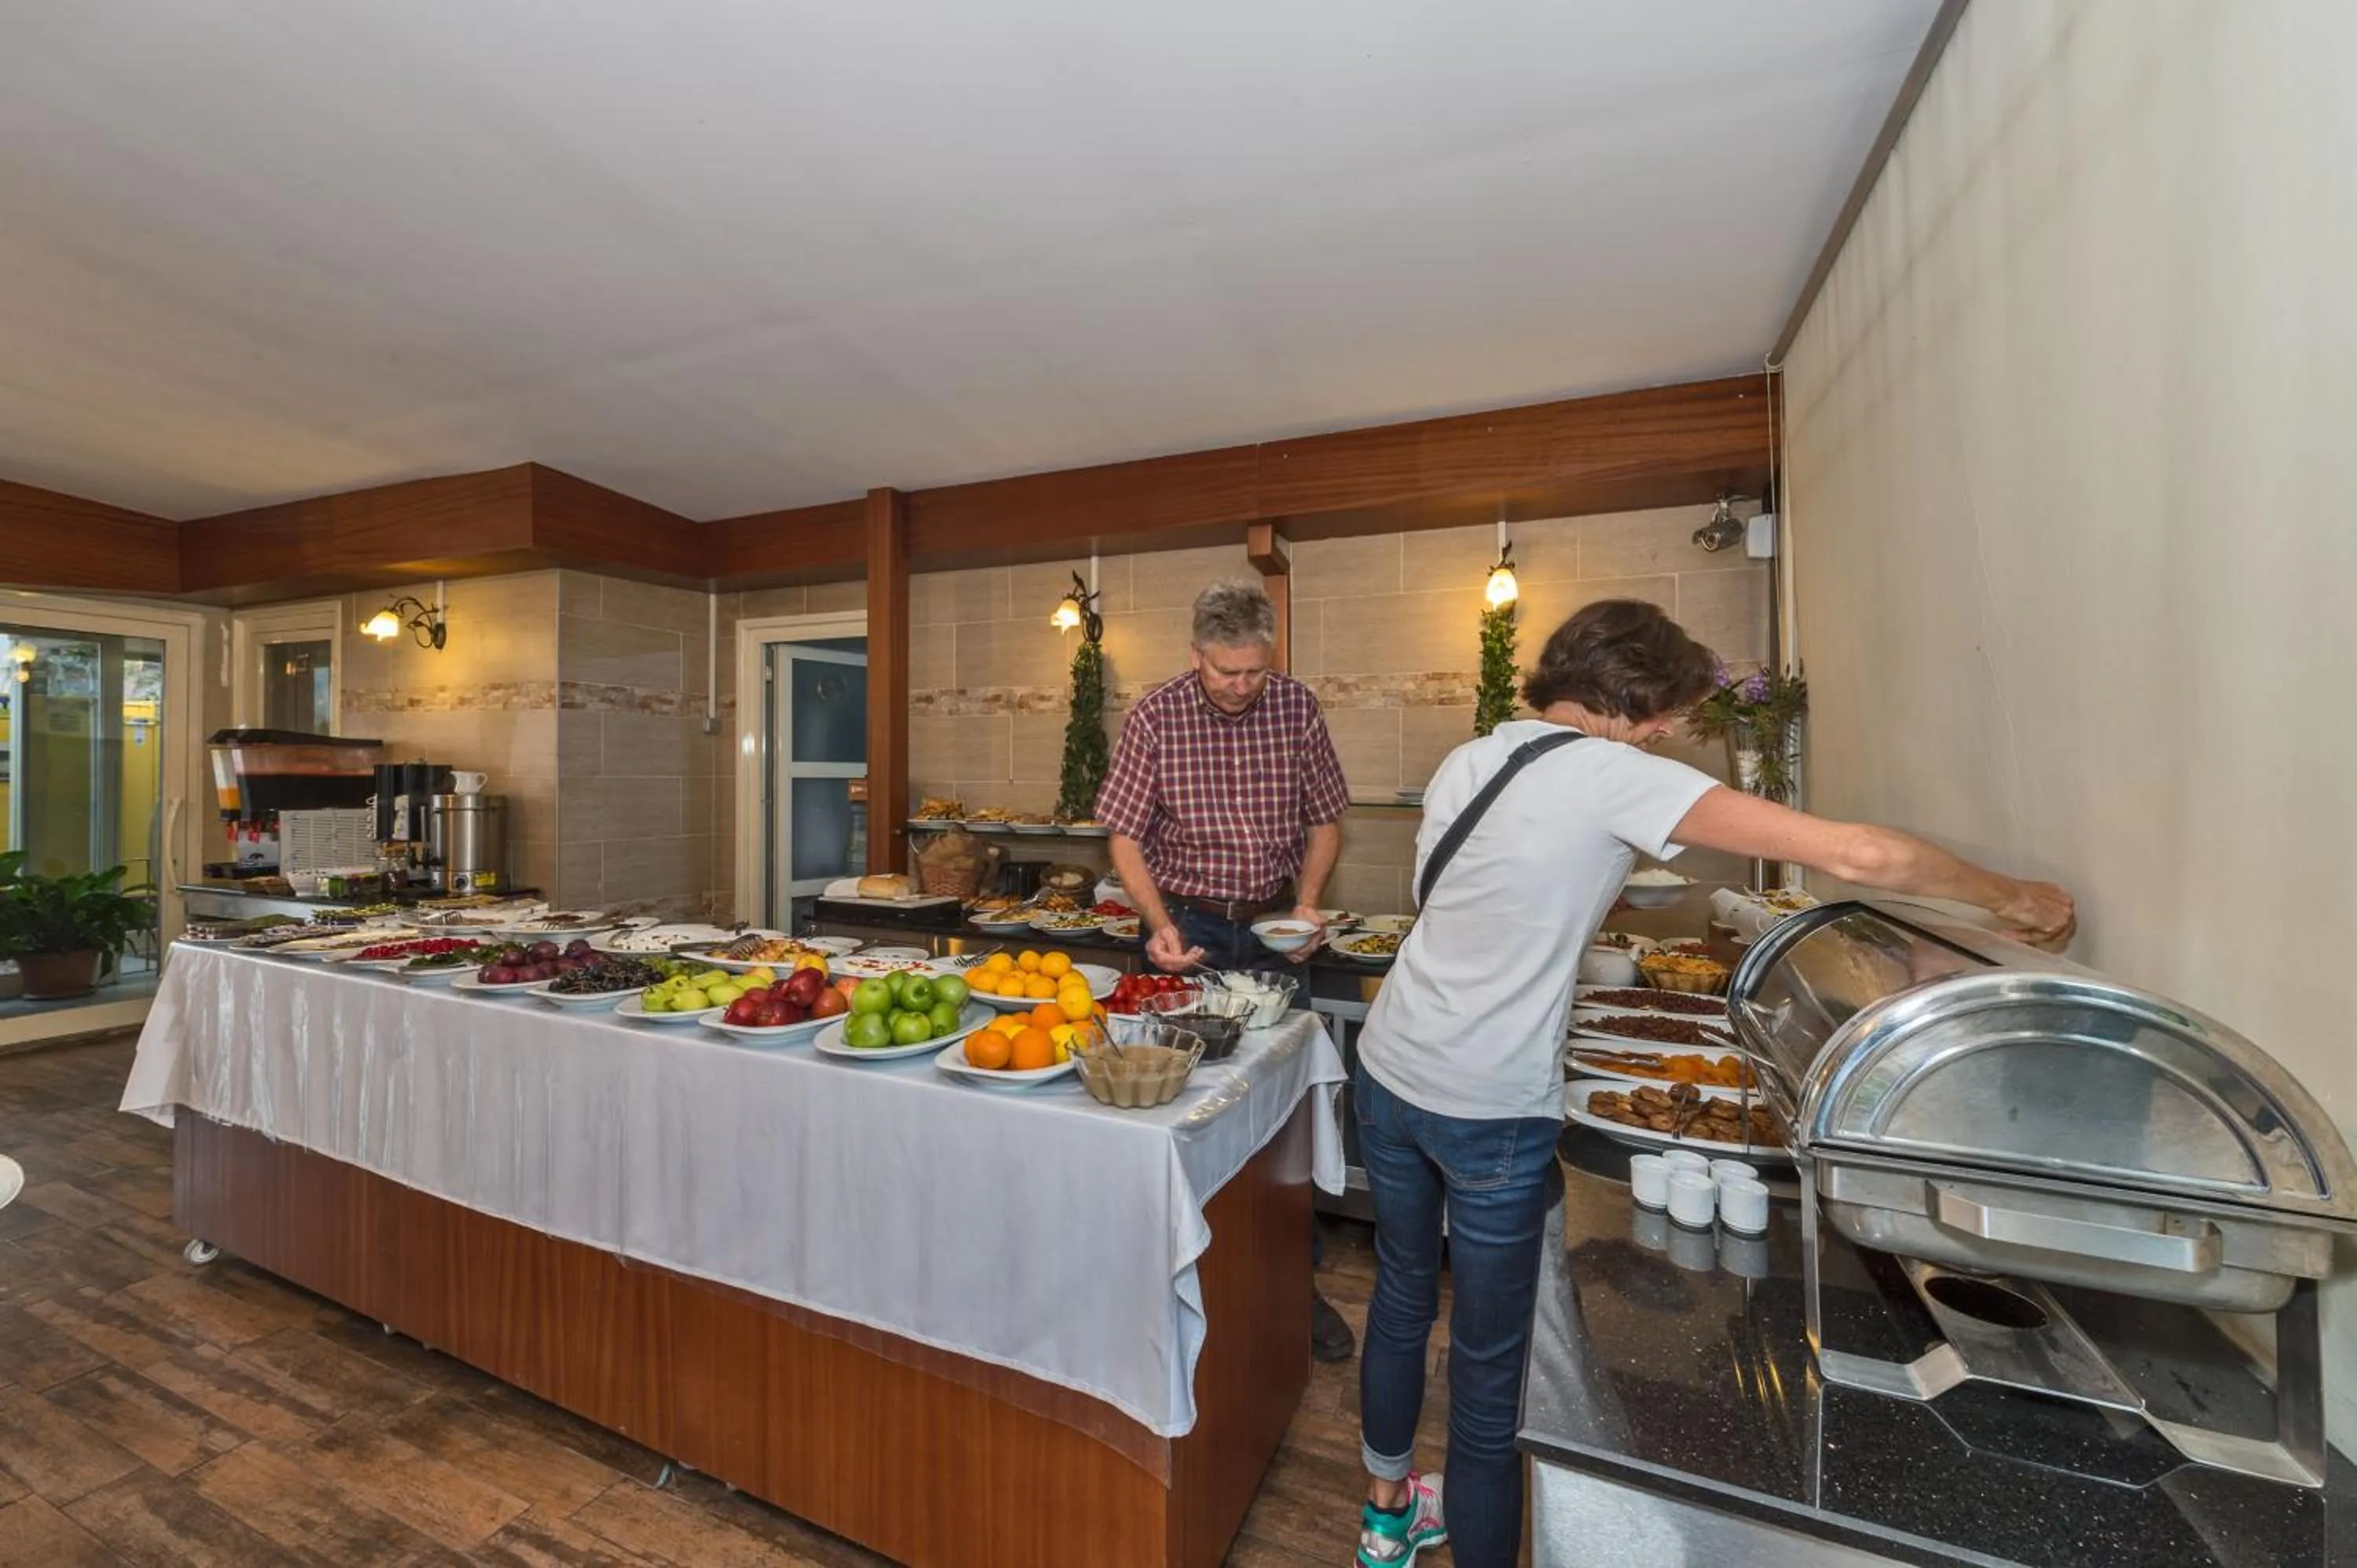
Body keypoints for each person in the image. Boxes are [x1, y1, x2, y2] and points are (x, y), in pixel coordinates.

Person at [1347, 599, 2075, 1568]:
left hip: (1391, 1067)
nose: (1663, 734)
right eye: (1662, 717)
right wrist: (2011, 898)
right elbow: (1857, 853)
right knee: (1490, 1375)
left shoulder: (1473, 757)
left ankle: (1385, 1516)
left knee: (1401, 1295)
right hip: (1487, 1108)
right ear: (1631, 697)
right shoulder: (1612, 773)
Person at [1094, 578, 1358, 1363]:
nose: (1243, 686)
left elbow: (1324, 819)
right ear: (1196, 655)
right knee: (1180, 1105)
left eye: (1255, 670)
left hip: (1273, 928)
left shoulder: (1296, 706)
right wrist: (1160, 925)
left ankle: (1288, 1277)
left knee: (1283, 1108)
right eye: (1226, 671)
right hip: (1192, 928)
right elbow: (1126, 837)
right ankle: (1178, 1267)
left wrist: (1308, 906)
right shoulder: (1155, 714)